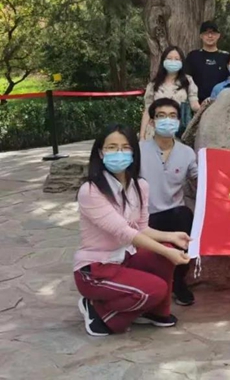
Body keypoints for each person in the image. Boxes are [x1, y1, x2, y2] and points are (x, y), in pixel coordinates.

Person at [73, 124, 191, 336]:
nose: (119, 153)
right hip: (96, 268)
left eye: (125, 147)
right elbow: (124, 232)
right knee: (155, 289)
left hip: (124, 259)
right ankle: (98, 310)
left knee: (164, 252)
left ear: (134, 152)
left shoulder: (140, 186)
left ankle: (153, 312)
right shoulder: (90, 191)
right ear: (100, 152)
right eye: (111, 147)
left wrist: (171, 237)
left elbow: (142, 228)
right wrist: (168, 252)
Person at [139, 99, 198, 306]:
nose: (167, 120)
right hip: (145, 216)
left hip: (174, 214)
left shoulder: (186, 152)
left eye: (172, 116)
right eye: (161, 116)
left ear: (179, 121)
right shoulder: (138, 151)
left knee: (185, 215)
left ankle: (179, 282)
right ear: (152, 121)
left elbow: (200, 178)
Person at [140, 46, 199, 141]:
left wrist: (204, 107)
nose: (173, 61)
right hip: (155, 130)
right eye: (169, 58)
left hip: (178, 130)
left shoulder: (188, 81)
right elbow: (147, 110)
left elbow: (194, 104)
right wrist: (142, 136)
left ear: (182, 62)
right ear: (163, 61)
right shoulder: (154, 84)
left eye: (176, 59)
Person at [185, 21, 230, 102]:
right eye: (206, 33)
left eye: (213, 33)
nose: (210, 36)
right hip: (197, 102)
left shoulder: (226, 57)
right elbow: (187, 79)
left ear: (218, 35)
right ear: (201, 36)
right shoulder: (193, 56)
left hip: (221, 102)